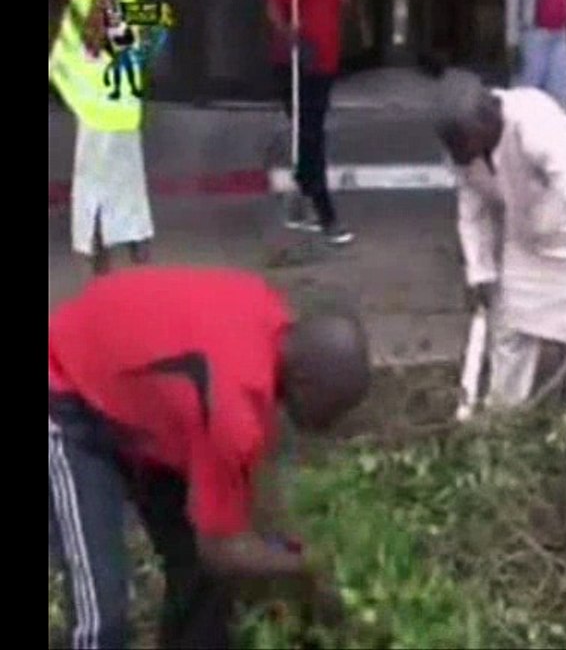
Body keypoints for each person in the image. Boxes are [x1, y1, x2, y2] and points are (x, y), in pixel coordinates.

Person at [48, 266, 371, 648]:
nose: (329, 426)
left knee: (204, 578)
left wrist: (278, 544)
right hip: (66, 392)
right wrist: (305, 569)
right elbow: (221, 549)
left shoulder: (269, 316)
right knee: (103, 615)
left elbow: (250, 485)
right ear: (304, 381)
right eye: (331, 410)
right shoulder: (231, 409)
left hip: (138, 398)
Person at [434, 71, 566, 480]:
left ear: (484, 124)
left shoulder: (535, 124)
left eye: (464, 148)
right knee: (509, 341)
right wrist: (479, 271)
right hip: (524, 245)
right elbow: (472, 207)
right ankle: (503, 447)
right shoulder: (467, 150)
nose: (462, 160)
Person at [49, 0, 154, 277]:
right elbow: (114, 27)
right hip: (114, 93)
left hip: (95, 94)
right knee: (120, 177)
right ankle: (126, 251)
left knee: (95, 176)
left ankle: (102, 255)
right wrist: (152, 21)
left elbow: (102, 22)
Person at [266, 0, 355, 245]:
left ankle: (304, 189)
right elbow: (274, 6)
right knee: (309, 134)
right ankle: (324, 209)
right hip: (298, 61)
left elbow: (344, 1)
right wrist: (288, 33)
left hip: (325, 61)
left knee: (311, 132)